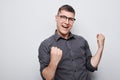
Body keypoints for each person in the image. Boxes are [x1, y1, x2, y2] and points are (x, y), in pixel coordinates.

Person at [38, 4, 105, 80]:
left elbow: (91, 67)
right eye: (63, 17)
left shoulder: (82, 41)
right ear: (56, 18)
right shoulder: (45, 45)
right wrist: (54, 62)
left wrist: (100, 47)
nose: (67, 22)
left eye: (70, 19)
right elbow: (47, 78)